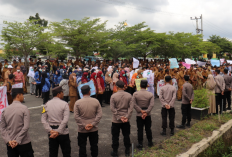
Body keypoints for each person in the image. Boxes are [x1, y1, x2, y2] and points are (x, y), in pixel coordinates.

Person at [0, 88, 34, 157]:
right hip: (24, 142)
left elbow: (2, 128)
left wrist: (8, 140)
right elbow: (26, 127)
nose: (23, 97)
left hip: (11, 143)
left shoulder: (5, 110)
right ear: (18, 95)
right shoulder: (24, 108)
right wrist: (18, 140)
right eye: (22, 95)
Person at [41, 86, 71, 157]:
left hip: (51, 132)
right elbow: (65, 120)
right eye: (62, 92)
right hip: (63, 132)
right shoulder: (64, 104)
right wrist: (58, 131)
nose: (63, 94)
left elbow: (43, 120)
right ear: (58, 94)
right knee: (66, 153)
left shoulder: (46, 104)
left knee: (53, 153)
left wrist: (50, 130)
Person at [74, 85, 102, 157]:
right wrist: (92, 124)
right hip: (93, 128)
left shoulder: (77, 102)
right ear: (89, 92)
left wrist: (84, 125)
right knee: (94, 145)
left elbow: (76, 116)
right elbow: (99, 115)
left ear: (81, 92)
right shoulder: (96, 101)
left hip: (82, 128)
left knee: (82, 146)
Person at [110, 80, 133, 157]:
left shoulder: (113, 96)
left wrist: (119, 117)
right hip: (126, 120)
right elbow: (131, 108)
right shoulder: (129, 95)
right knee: (126, 135)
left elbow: (112, 108)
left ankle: (115, 151)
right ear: (124, 87)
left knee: (115, 136)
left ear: (116, 87)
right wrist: (126, 117)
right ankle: (127, 150)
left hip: (116, 120)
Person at [132, 80, 154, 150]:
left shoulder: (135, 94)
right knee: (148, 128)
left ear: (140, 85)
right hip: (147, 114)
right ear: (147, 85)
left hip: (139, 114)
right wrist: (146, 112)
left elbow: (134, 104)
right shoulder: (150, 94)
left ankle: (140, 143)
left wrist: (140, 111)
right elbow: (151, 105)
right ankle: (150, 142)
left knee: (140, 129)